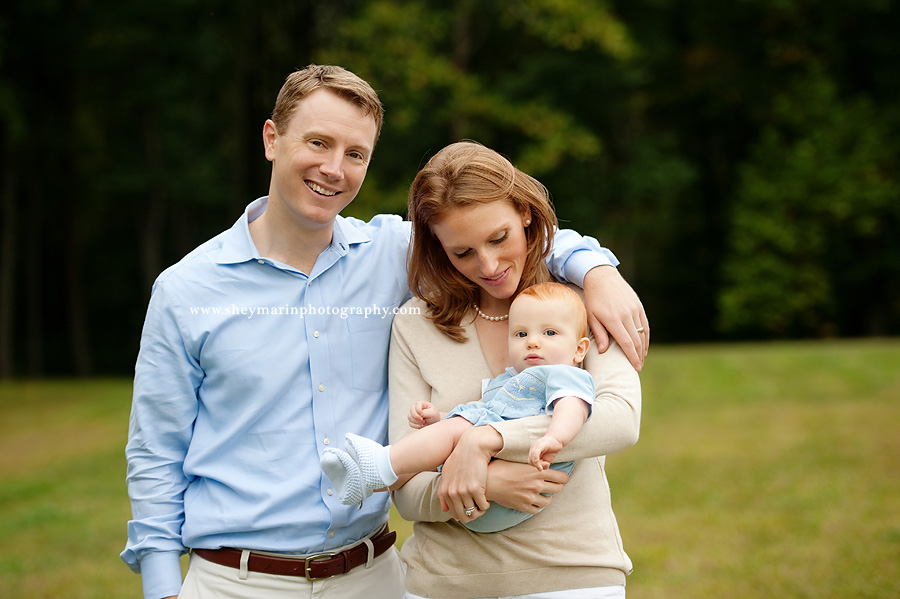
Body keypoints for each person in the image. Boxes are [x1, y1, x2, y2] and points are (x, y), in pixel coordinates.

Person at [121, 65, 647, 599]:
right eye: (318, 142)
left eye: (356, 154)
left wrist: (596, 271)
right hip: (233, 581)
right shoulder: (187, 290)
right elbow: (155, 453)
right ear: (271, 139)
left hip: (371, 577)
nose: (334, 168)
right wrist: (163, 588)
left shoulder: (392, 255)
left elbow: (499, 232)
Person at [389, 141, 642, 599]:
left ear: (525, 213)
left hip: (572, 575)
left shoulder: (581, 302)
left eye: (498, 238)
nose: (488, 265)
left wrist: (487, 440)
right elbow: (405, 490)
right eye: (462, 252)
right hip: (442, 583)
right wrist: (483, 481)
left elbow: (620, 421)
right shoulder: (415, 324)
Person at [320, 282, 594, 535]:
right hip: (481, 488)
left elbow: (573, 408)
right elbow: (480, 409)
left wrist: (554, 437)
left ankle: (379, 465)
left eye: (550, 333)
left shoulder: (565, 375)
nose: (533, 341)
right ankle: (365, 480)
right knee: (449, 433)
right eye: (521, 333)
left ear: (579, 349)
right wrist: (439, 418)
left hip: (519, 483)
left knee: (458, 430)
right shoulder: (509, 380)